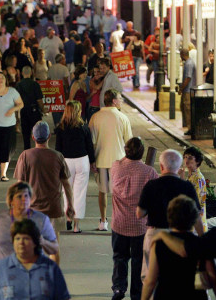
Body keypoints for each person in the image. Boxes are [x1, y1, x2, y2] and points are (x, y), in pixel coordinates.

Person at [14, 120, 74, 264]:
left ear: (33, 137)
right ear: (49, 137)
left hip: (31, 210)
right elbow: (66, 185)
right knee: (53, 248)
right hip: (54, 209)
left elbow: (19, 185)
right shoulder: (58, 156)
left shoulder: (25, 156)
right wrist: (70, 206)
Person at [137, 149, 203, 280]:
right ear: (179, 167)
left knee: (151, 277)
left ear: (161, 166)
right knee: (178, 276)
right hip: (181, 236)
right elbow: (196, 216)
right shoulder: (187, 186)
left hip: (156, 234)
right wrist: (202, 238)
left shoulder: (151, 185)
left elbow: (140, 213)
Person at [0, 182, 58, 273]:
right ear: (11, 201)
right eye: (19, 197)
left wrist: (43, 242)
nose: (24, 199)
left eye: (26, 196)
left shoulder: (41, 220)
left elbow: (54, 248)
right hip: (2, 269)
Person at [110, 137, 158, 300]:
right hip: (140, 226)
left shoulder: (116, 166)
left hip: (119, 223)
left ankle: (118, 288)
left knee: (119, 257)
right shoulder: (149, 172)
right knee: (138, 261)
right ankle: (136, 294)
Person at [0, 219, 71, 300]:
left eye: (26, 239)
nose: (21, 243)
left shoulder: (50, 268)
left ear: (35, 242)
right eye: (17, 239)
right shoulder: (0, 268)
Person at [141, 195, 208, 300]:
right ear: (193, 218)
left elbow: (151, 281)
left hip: (166, 294)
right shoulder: (198, 243)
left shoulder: (160, 244)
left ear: (170, 216)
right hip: (194, 295)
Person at [89, 89, 132, 231]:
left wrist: (92, 160)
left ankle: (103, 221)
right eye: (120, 98)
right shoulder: (123, 118)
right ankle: (119, 220)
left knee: (102, 192)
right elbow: (129, 142)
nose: (121, 101)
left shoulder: (95, 117)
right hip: (119, 161)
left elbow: (91, 141)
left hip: (101, 159)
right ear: (114, 101)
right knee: (119, 194)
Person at [55, 101, 95, 233]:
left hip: (66, 162)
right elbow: (90, 146)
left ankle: (68, 218)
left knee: (66, 191)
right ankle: (77, 225)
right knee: (80, 193)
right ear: (78, 112)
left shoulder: (60, 128)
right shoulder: (83, 127)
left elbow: (58, 149)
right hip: (82, 161)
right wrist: (93, 162)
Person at [15, 66, 45, 150]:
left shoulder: (18, 85)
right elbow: (39, 100)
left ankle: (27, 152)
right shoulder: (35, 84)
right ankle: (39, 149)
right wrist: (43, 109)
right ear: (31, 73)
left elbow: (16, 101)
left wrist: (16, 115)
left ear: (22, 73)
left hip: (24, 110)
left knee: (26, 134)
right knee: (38, 132)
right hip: (34, 110)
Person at [181, 147, 208, 232]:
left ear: (197, 161)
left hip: (196, 223)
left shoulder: (198, 178)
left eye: (190, 158)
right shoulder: (191, 176)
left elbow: (193, 200)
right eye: (185, 157)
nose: (186, 160)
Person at [179, 48, 196, 136]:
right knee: (184, 107)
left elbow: (188, 78)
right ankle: (189, 127)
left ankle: (190, 128)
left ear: (182, 54)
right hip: (188, 90)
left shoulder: (188, 63)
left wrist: (181, 88)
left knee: (188, 109)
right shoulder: (189, 62)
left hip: (188, 90)